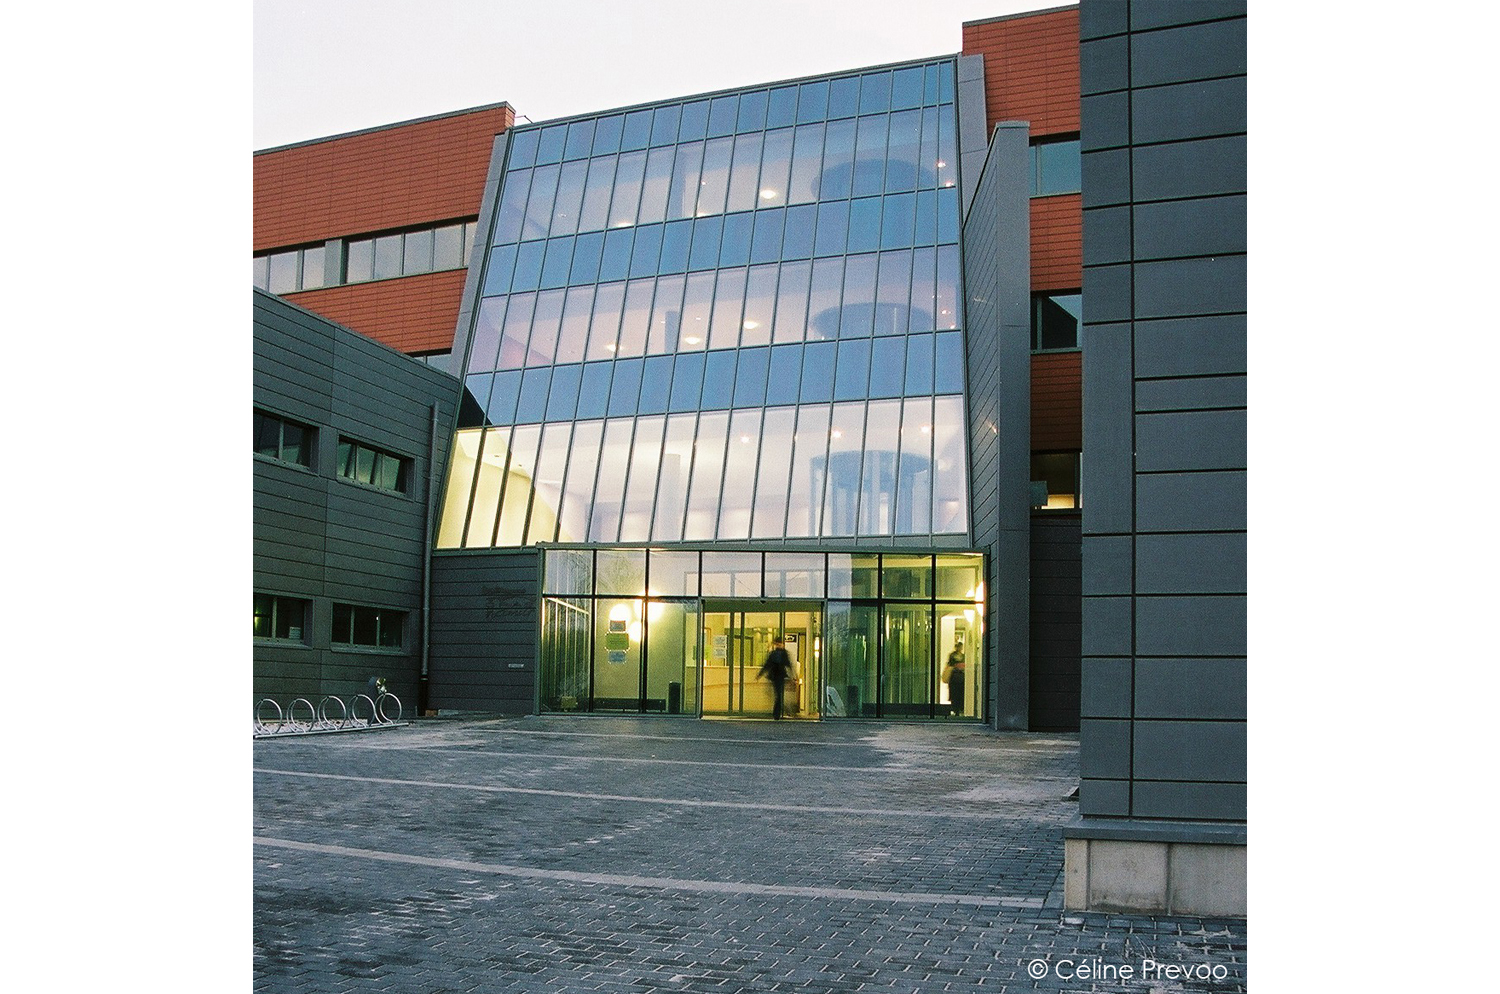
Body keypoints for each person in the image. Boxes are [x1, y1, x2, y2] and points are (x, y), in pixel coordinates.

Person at [758, 637, 793, 720]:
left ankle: (777, 712)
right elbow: (788, 665)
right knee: (779, 695)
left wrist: (760, 674)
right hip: (780, 676)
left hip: (775, 676)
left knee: (778, 695)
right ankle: (779, 712)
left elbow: (767, 665)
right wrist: (792, 676)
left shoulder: (774, 654)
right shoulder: (783, 654)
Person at [942, 640, 965, 716]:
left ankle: (959, 709)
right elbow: (950, 664)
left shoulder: (963, 656)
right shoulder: (953, 656)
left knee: (960, 694)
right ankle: (956, 709)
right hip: (954, 678)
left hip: (959, 678)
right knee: (955, 694)